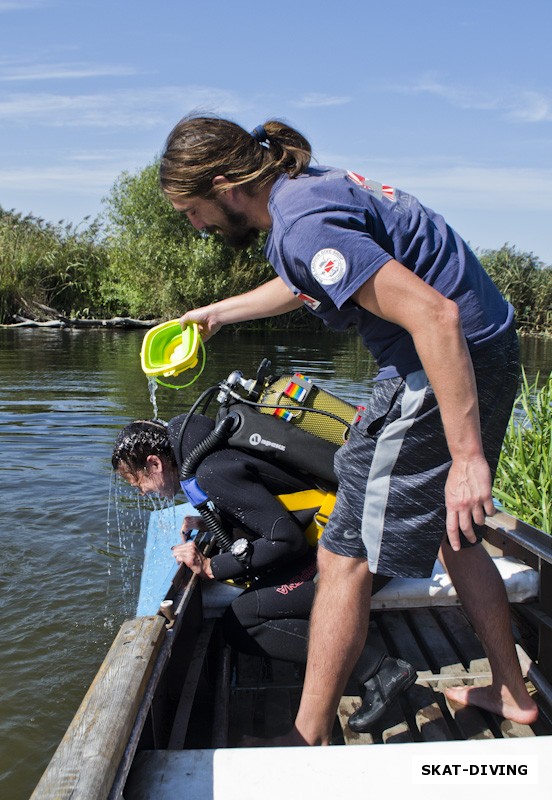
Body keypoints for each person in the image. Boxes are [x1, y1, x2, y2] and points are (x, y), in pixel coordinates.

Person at [157, 113, 539, 744]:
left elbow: (435, 317)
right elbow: (302, 280)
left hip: (442, 357)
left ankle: (304, 741)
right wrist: (217, 314)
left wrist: (468, 459)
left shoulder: (302, 223)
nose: (195, 226)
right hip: (482, 345)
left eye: (192, 211)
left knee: (343, 552)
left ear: (225, 187)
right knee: (457, 527)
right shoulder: (303, 190)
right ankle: (511, 691)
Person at [112, 416, 417, 731]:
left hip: (365, 558)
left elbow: (286, 540)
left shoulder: (211, 472)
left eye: (139, 483)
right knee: (252, 605)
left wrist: (210, 566)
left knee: (244, 621)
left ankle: (380, 670)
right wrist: (217, 521)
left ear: (155, 463)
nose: (144, 493)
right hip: (370, 539)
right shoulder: (211, 444)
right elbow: (274, 501)